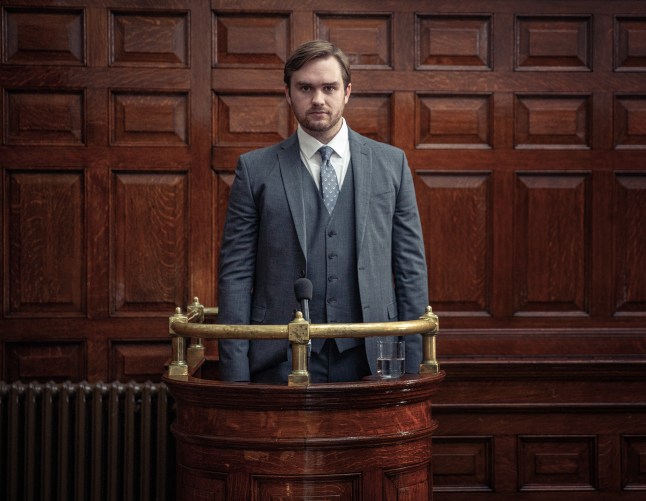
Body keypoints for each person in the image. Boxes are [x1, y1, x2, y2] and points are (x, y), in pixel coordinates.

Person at [217, 40, 428, 383]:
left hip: (372, 357)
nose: (318, 99)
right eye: (305, 88)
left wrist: (413, 369)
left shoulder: (391, 164)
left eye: (329, 87)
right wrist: (235, 376)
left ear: (346, 92)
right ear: (288, 93)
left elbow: (410, 270)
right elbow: (236, 276)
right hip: (279, 358)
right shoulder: (255, 170)